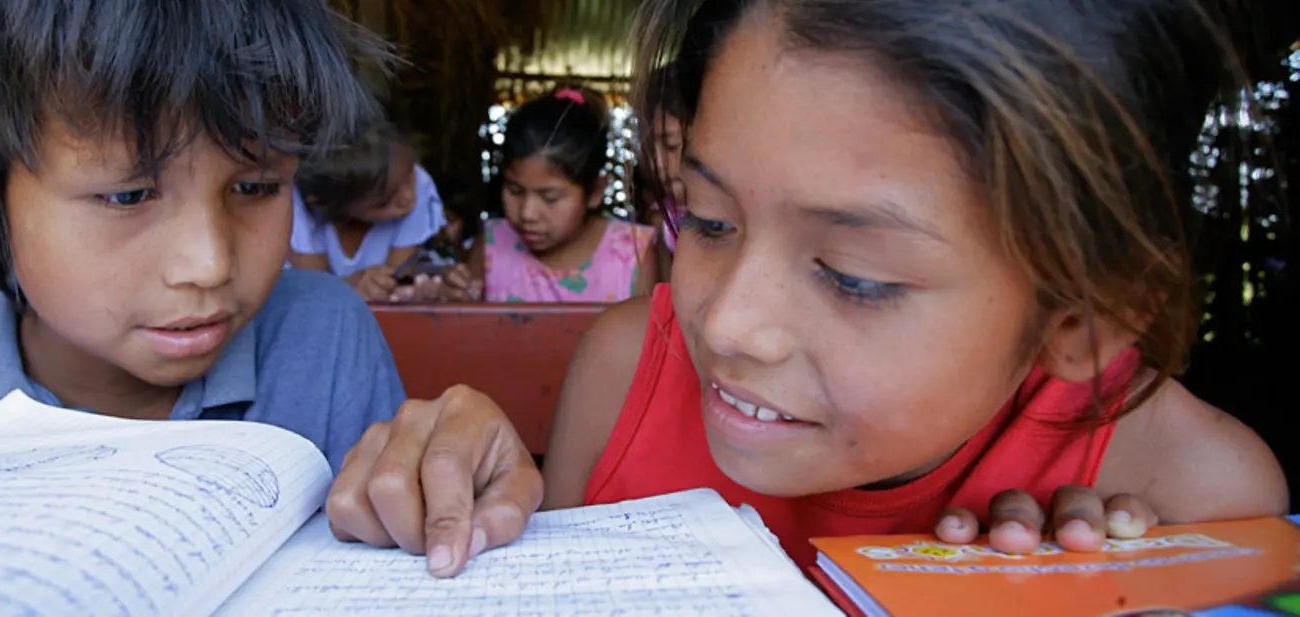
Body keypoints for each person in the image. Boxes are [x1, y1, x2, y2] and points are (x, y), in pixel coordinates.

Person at [326, 0, 1289, 573]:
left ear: (1083, 313)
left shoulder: (1194, 502)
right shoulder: (628, 368)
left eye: (855, 275)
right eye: (707, 220)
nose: (727, 322)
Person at [0, 0, 541, 579]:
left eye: (255, 186)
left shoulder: (323, 337)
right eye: (127, 193)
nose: (210, 264)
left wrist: (445, 478)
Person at [469, 88, 660, 303]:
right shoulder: (491, 246)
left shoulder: (635, 254)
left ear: (595, 191)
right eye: (515, 191)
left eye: (550, 197)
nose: (527, 213)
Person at [289, 123, 472, 302]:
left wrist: (435, 285)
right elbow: (314, 294)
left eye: (410, 176)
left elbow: (396, 280)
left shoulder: (417, 183)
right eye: (385, 201)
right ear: (325, 205)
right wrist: (351, 287)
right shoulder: (293, 207)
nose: (409, 198)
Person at [641, 62, 689, 281]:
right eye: (651, 149)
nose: (658, 163)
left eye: (671, 145)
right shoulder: (662, 219)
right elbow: (665, 298)